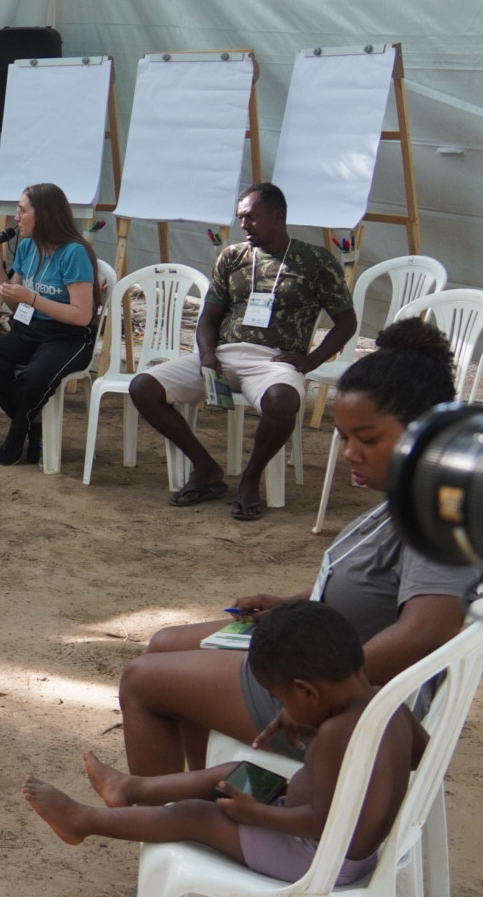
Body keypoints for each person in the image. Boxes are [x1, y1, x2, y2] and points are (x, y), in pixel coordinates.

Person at [116, 317, 479, 775]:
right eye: (344, 437)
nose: (349, 453)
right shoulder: (408, 499)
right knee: (165, 645)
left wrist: (327, 691)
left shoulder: (439, 519)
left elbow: (425, 632)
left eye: (368, 439)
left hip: (353, 704)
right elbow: (373, 590)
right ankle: (205, 793)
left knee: (142, 681)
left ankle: (168, 809)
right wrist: (292, 604)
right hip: (325, 665)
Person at [25, 601, 421, 888]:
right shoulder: (389, 706)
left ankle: (82, 822)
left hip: (317, 857)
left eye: (282, 700)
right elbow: (420, 751)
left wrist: (256, 815)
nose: (283, 709)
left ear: (306, 691)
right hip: (326, 836)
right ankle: (131, 788)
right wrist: (308, 721)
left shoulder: (337, 734)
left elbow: (322, 821)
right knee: (235, 774)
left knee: (193, 815)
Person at [131, 182, 357, 520]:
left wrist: (310, 361)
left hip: (273, 361)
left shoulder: (316, 261)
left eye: (251, 217)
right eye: (240, 218)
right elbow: (209, 317)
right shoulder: (233, 256)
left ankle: (251, 479)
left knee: (283, 401)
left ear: (277, 216)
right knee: (143, 387)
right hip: (222, 354)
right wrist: (207, 355)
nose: (244, 225)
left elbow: (346, 322)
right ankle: (205, 468)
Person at [0, 182, 100, 467]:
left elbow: (81, 315)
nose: (16, 218)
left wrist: (33, 298)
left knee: (33, 378)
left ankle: (18, 432)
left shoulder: (74, 252)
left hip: (69, 335)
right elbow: (18, 306)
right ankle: (32, 422)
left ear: (45, 214)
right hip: (30, 328)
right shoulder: (27, 246)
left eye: (22, 211)